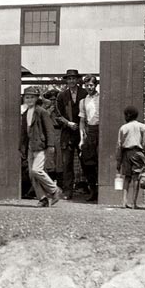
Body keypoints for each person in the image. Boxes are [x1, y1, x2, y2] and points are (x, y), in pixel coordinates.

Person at [19, 87, 63, 207]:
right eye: (27, 97)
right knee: (32, 174)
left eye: (32, 97)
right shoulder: (25, 114)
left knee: (36, 170)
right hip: (30, 146)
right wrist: (21, 148)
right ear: (24, 98)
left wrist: (50, 145)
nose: (29, 100)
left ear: (37, 98)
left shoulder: (41, 112)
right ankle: (42, 198)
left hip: (40, 145)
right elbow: (23, 133)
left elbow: (49, 129)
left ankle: (54, 190)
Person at [53, 69, 85, 199]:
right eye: (69, 78)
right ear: (66, 80)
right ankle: (68, 191)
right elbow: (58, 115)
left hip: (82, 132)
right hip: (67, 133)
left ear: (77, 80)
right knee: (67, 163)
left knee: (86, 161)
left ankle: (90, 190)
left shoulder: (84, 93)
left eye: (74, 78)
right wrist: (68, 123)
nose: (71, 81)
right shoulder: (62, 96)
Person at [116, 106, 145, 209]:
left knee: (127, 177)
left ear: (126, 116)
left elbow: (119, 145)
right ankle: (134, 203)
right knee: (136, 177)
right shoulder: (142, 127)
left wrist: (118, 160)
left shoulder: (123, 128)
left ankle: (124, 201)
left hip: (126, 153)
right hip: (138, 153)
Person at [78, 75, 100, 202]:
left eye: (91, 85)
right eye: (87, 86)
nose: (89, 88)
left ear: (95, 85)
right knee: (88, 161)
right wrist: (82, 138)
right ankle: (93, 190)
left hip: (101, 129)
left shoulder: (101, 98)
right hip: (89, 131)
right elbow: (82, 120)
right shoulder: (83, 101)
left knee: (99, 160)